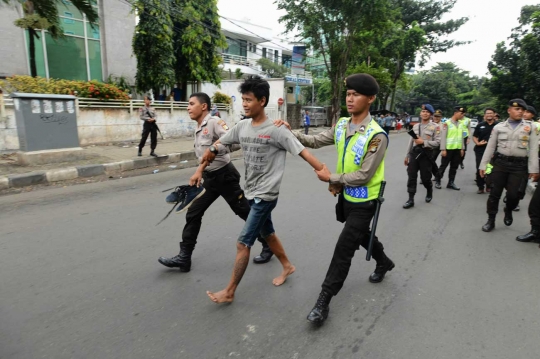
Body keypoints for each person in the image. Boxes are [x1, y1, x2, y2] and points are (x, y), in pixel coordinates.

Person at [276, 73, 394, 325]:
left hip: (365, 202)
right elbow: (316, 140)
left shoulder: (377, 135)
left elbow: (364, 175)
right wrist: (292, 132)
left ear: (370, 99)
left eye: (356, 95)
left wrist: (332, 178)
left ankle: (324, 300)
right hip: (345, 199)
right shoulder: (342, 125)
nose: (350, 99)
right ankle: (384, 262)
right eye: (348, 94)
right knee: (361, 236)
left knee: (344, 248)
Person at [202, 75, 325, 304]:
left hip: (266, 195)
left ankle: (229, 291)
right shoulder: (243, 126)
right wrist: (212, 148)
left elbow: (304, 152)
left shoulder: (277, 130)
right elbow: (223, 142)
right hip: (250, 191)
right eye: (243, 100)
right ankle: (287, 266)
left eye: (249, 100)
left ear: (262, 100)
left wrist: (327, 175)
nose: (245, 104)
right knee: (267, 233)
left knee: (243, 242)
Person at [157, 92, 274, 272]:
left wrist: (213, 149)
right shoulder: (198, 127)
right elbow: (204, 157)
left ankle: (268, 244)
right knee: (193, 213)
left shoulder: (214, 123)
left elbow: (232, 142)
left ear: (203, 106)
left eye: (191, 104)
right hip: (209, 179)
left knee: (244, 212)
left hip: (225, 177)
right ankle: (184, 257)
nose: (188, 107)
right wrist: (200, 171)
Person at [479, 99, 539, 232]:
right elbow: (490, 147)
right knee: (494, 193)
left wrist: (534, 169)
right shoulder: (499, 127)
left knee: (514, 195)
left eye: (522, 110)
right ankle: (491, 220)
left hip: (519, 166)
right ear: (509, 110)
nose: (520, 112)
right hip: (500, 164)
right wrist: (483, 165)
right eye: (517, 109)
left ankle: (508, 209)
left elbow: (534, 149)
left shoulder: (531, 127)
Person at [403, 104, 441, 208]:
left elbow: (438, 142)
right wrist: (407, 155)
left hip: (426, 154)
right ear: (420, 113)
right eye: (423, 111)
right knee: (411, 176)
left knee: (425, 178)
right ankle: (410, 199)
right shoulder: (415, 126)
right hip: (414, 153)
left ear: (431, 114)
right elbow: (411, 141)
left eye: (427, 112)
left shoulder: (435, 127)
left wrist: (423, 142)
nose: (425, 113)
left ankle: (429, 189)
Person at [437, 106, 467, 190]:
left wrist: (462, 148)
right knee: (443, 166)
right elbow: (443, 137)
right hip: (448, 149)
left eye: (463, 114)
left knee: (454, 167)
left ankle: (451, 182)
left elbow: (461, 137)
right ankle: (438, 180)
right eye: (461, 114)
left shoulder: (461, 124)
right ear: (455, 113)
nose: (462, 116)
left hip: (457, 149)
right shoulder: (447, 123)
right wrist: (443, 149)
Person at [473, 108, 497, 194]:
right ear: (485, 115)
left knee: (490, 169)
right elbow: (475, 136)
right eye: (487, 113)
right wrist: (478, 143)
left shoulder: (498, 126)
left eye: (491, 113)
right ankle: (480, 186)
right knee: (480, 167)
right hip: (480, 150)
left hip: (494, 151)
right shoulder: (480, 125)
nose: (489, 115)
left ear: (494, 114)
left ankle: (489, 185)